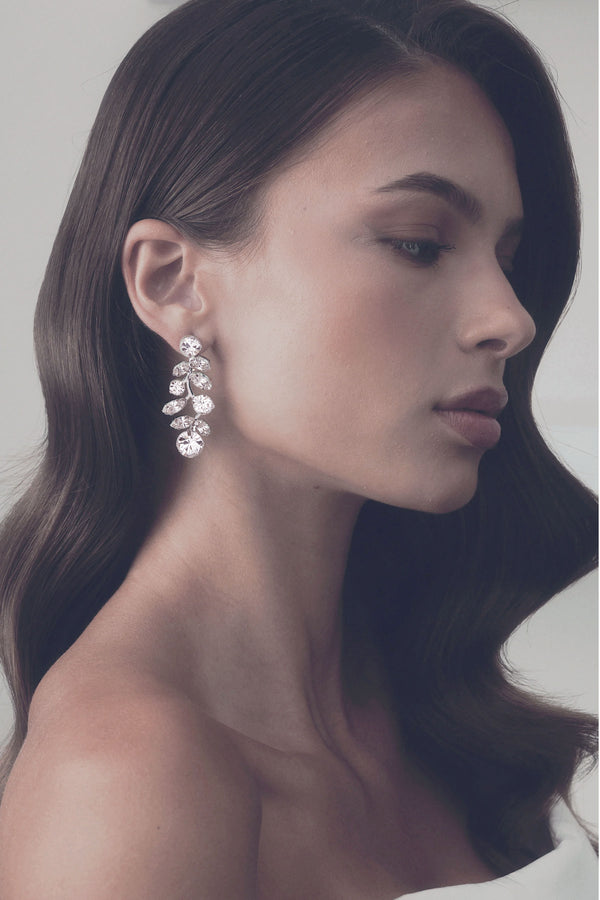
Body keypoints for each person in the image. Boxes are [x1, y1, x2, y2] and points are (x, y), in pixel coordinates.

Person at [0, 0, 596, 896]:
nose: (510, 319)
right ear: (172, 283)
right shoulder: (127, 778)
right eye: (419, 243)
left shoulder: (440, 704)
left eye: (509, 259)